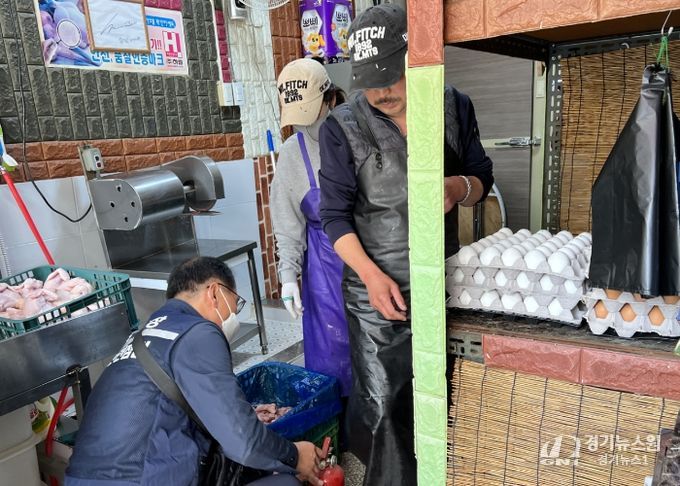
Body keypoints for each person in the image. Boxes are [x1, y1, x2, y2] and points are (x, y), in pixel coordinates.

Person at [318, 4, 494, 486]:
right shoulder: (342, 127)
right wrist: (372, 277)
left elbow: (482, 177)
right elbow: (334, 216)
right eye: (369, 82)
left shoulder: (454, 107)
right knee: (384, 406)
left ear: (414, 59)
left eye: (389, 76)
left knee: (446, 395)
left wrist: (458, 188)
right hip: (376, 294)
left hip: (444, 285)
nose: (380, 92)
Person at [65, 257, 323, 486]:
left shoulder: (143, 336)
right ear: (214, 293)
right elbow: (244, 442)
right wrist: (294, 456)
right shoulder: (198, 332)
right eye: (235, 304)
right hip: (138, 477)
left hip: (84, 477)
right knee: (285, 482)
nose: (234, 314)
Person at [270, 58, 352, 398]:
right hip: (323, 273)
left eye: (311, 113)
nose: (306, 125)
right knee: (331, 362)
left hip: (372, 260)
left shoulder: (358, 134)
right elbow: (288, 223)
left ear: (330, 99)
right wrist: (288, 276)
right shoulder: (292, 153)